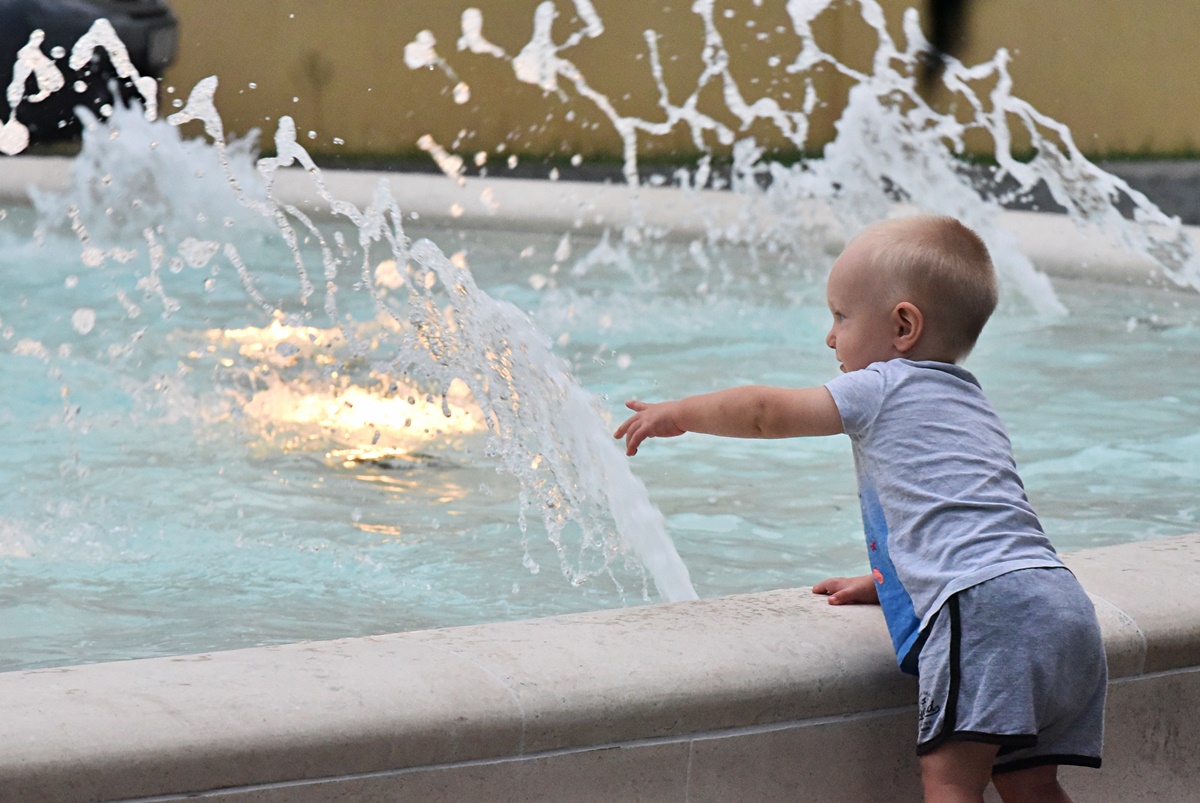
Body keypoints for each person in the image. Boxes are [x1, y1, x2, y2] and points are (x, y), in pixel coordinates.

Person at [613, 215, 1106, 803]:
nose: (829, 337)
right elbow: (964, 512)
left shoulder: (884, 383)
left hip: (982, 611)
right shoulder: (972, 400)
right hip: (1061, 605)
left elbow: (767, 412)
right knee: (1030, 781)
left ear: (903, 326)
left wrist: (681, 412)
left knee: (950, 779)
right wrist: (898, 580)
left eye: (841, 316)